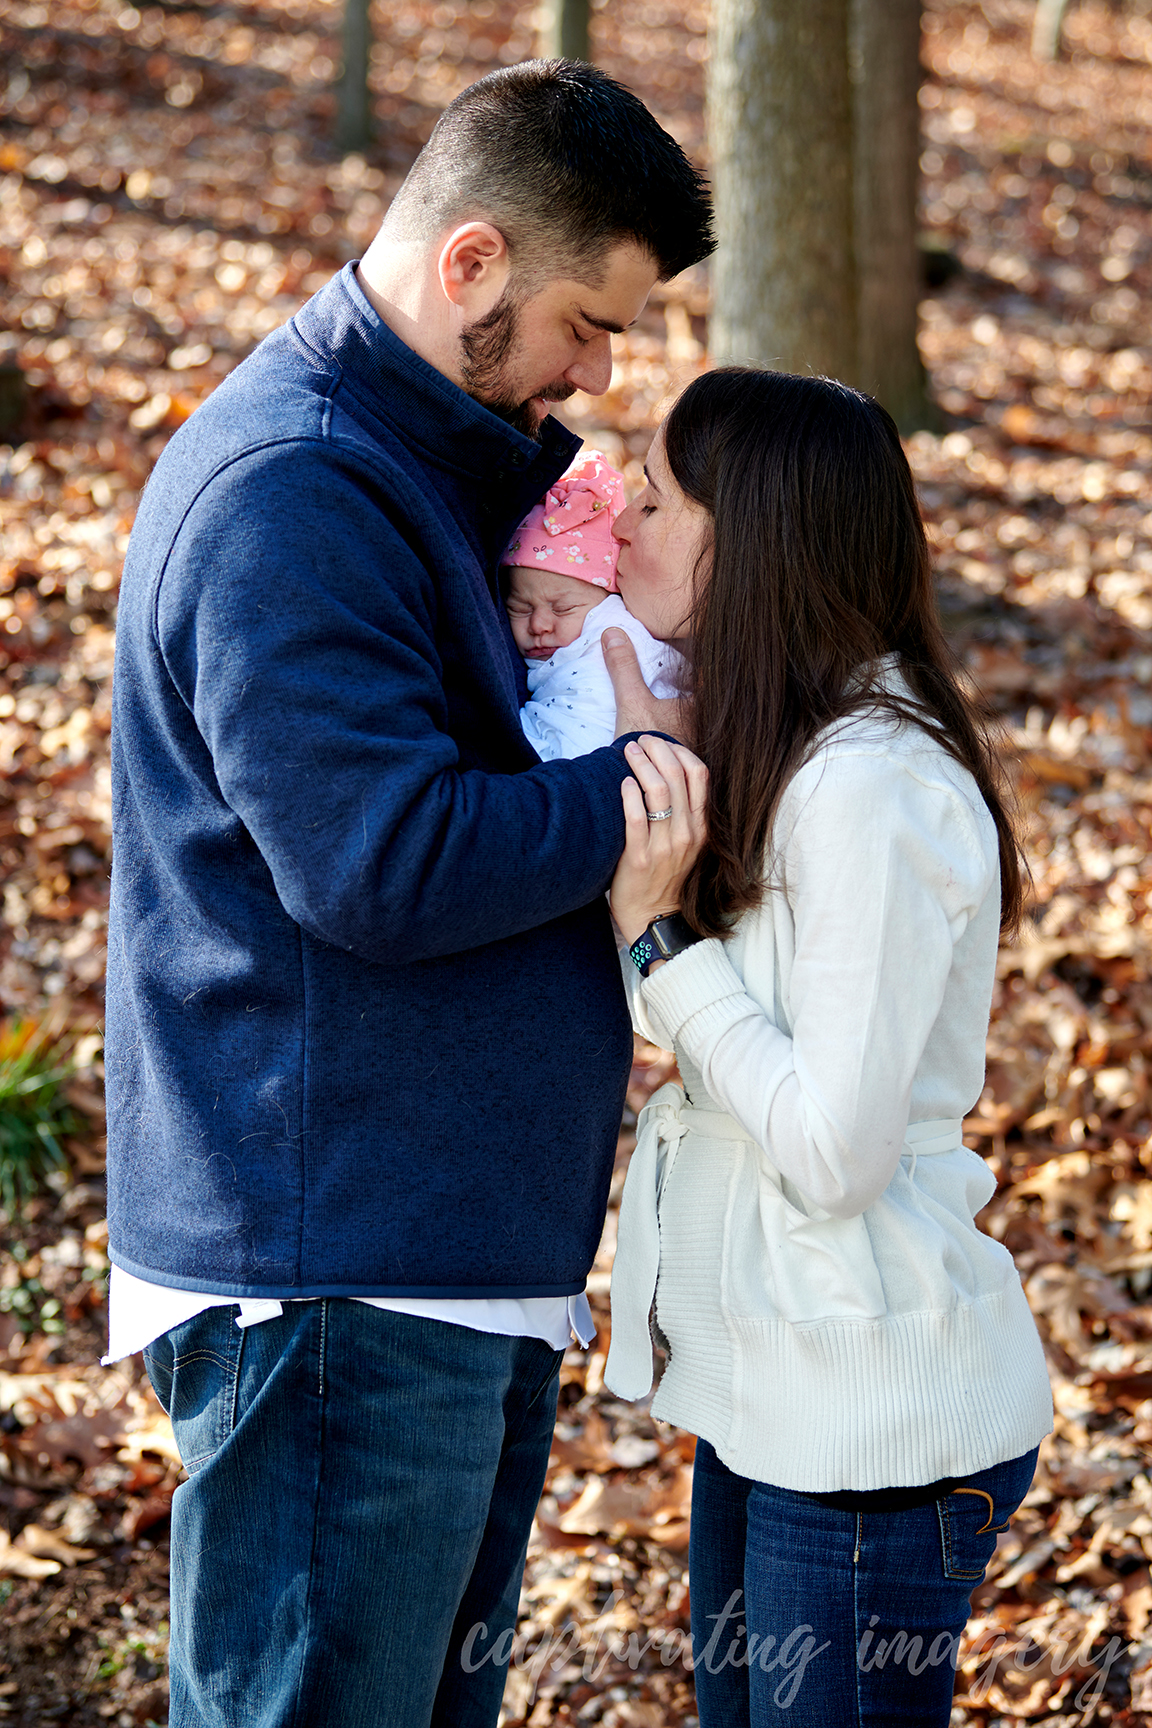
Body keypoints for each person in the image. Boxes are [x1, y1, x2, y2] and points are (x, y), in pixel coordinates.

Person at [104, 60, 711, 1728]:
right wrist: (646, 794)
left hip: (444, 1250)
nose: (603, 372)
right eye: (588, 322)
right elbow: (376, 859)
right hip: (334, 1267)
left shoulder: (468, 453)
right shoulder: (294, 497)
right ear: (469, 265)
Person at [601, 368, 1053, 1726]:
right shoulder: (792, 750)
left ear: (759, 539)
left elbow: (834, 1150)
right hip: (783, 1399)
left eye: (660, 496)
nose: (619, 512)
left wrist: (661, 942)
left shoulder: (871, 785)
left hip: (872, 1433)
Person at [502, 449, 685, 759]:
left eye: (562, 609)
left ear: (610, 598)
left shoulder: (612, 636)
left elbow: (586, 735)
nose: (539, 625)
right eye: (520, 608)